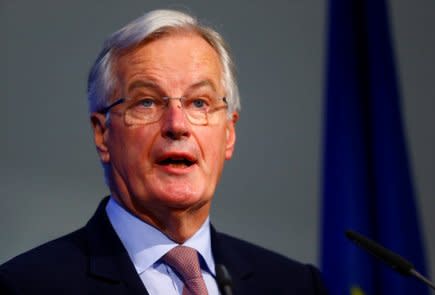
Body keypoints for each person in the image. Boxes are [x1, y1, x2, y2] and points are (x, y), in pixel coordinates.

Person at [0, 9, 327, 295]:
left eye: (199, 102)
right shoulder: (27, 285)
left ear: (229, 133)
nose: (177, 124)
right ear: (103, 134)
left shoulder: (296, 285)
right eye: (147, 101)